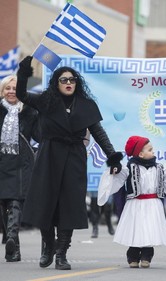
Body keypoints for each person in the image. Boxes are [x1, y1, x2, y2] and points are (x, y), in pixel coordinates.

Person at [16, 56, 123, 270]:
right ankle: (48, 245)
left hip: (74, 158)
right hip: (48, 156)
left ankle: (61, 254)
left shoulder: (86, 105)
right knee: (46, 204)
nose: (68, 83)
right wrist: (23, 73)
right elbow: (21, 95)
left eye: (72, 80)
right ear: (57, 82)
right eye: (64, 79)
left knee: (69, 206)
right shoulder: (45, 100)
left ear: (77, 83)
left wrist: (112, 156)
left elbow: (98, 133)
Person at [98, 136, 166, 268]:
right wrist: (115, 169)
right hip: (135, 204)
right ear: (140, 154)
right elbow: (119, 174)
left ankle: (147, 255)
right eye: (150, 149)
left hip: (153, 204)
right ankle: (133, 255)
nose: (153, 152)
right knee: (136, 229)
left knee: (150, 230)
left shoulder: (158, 167)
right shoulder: (130, 167)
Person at [0, 75, 39, 262]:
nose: (11, 91)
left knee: (15, 203)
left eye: (15, 88)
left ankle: (11, 240)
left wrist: (44, 111)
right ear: (2, 91)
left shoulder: (30, 111)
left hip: (21, 164)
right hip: (2, 163)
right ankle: (12, 248)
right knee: (3, 206)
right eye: (8, 88)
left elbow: (39, 135)